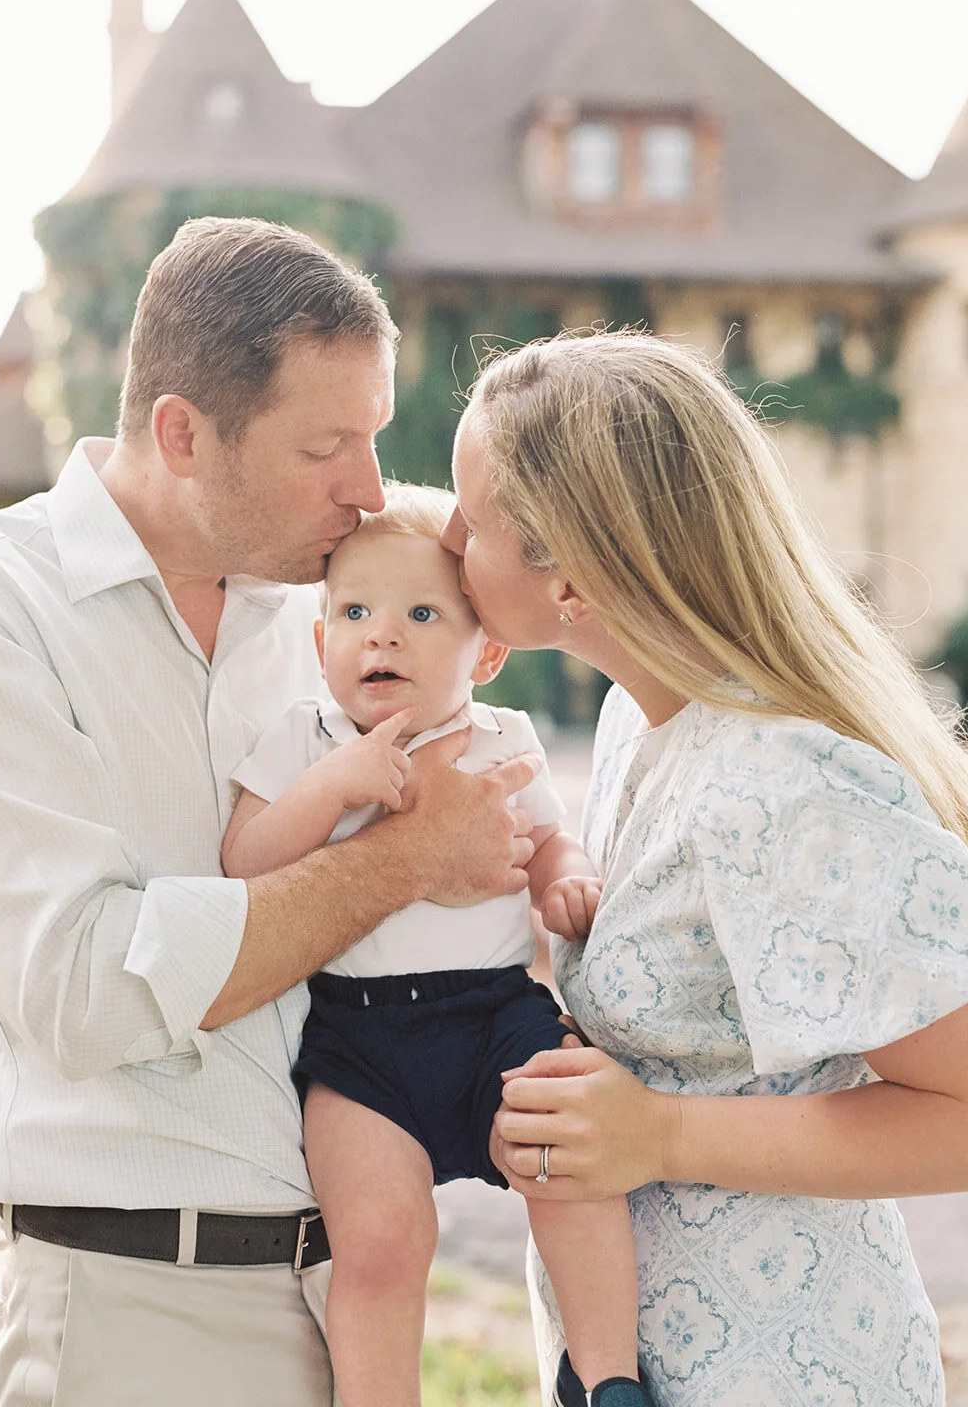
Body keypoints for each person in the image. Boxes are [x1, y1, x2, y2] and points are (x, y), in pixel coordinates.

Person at [0, 217, 543, 1407]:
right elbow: (89, 987)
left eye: (372, 438)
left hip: (354, 1307)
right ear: (180, 432)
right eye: (326, 445)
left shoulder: (336, 612)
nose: (370, 488)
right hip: (132, 1318)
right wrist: (407, 857)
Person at [440, 331, 968, 1407]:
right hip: (654, 1366)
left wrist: (661, 1134)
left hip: (790, 1371)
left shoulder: (784, 784)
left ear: (567, 574)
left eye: (471, 520)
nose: (444, 535)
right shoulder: (631, 726)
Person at [222, 482, 650, 1407]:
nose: (382, 635)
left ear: (486, 650)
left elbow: (546, 838)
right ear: (320, 638)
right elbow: (243, 863)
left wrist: (562, 879)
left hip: (494, 1012)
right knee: (376, 1240)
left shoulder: (502, 737)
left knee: (568, 1153)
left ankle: (608, 1373)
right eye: (355, 612)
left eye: (421, 613)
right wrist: (335, 787)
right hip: (361, 1042)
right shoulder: (305, 740)